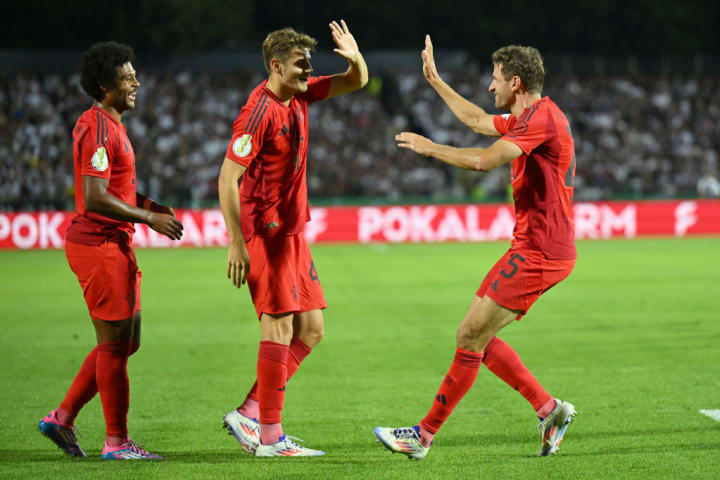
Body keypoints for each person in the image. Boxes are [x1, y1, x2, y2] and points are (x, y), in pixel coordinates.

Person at [374, 36, 578, 459]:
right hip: (529, 246)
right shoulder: (529, 118)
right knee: (475, 336)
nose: (490, 86)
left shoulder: (542, 120)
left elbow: (485, 160)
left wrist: (431, 149)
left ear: (516, 82)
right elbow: (478, 121)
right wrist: (436, 82)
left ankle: (422, 436)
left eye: (496, 78)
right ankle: (549, 409)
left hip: (542, 250)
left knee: (470, 335)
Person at [218, 21, 368, 457]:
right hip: (265, 233)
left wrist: (354, 53)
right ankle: (270, 437)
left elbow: (356, 80)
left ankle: (249, 412)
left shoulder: (299, 93)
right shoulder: (259, 112)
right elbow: (228, 178)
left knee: (312, 329)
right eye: (301, 64)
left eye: (310, 63)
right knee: (280, 325)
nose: (309, 70)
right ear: (277, 66)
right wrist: (235, 242)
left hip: (293, 233)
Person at [37, 41, 184, 460]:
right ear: (105, 85)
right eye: (127, 76)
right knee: (116, 344)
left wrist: (149, 205)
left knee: (125, 340)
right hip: (98, 245)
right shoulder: (99, 126)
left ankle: (61, 418)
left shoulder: (111, 124)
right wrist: (147, 218)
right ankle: (116, 443)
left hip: (115, 243)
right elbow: (95, 196)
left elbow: (114, 188)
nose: (136, 81)